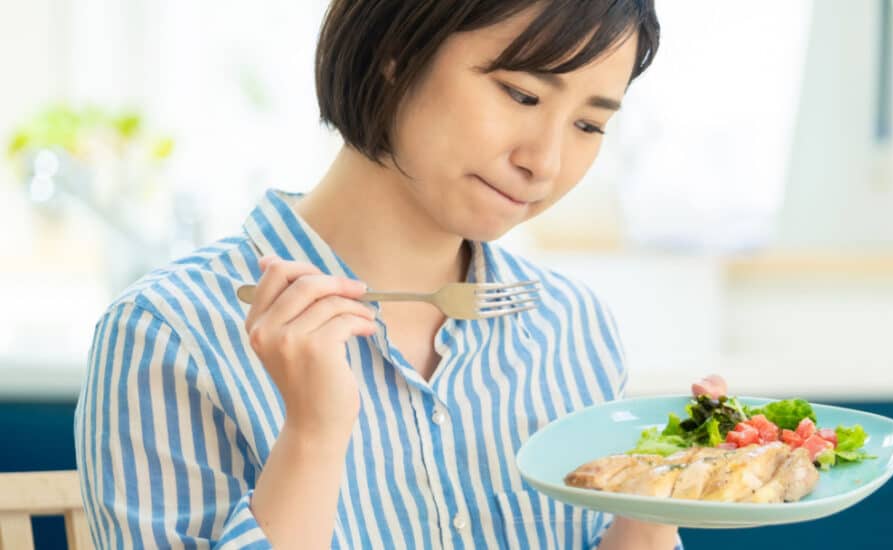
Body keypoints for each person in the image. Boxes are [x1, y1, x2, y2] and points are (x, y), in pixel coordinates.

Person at [73, 0, 688, 548]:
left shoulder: (569, 326)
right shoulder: (168, 334)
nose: (545, 162)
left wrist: (659, 496)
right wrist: (313, 435)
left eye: (589, 125)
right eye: (522, 94)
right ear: (396, 52)